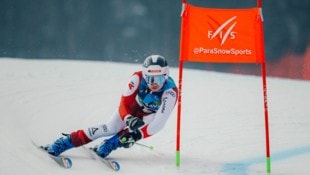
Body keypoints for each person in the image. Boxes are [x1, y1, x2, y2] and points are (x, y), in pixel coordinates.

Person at [43, 55, 178, 158]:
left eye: (159, 79)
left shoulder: (170, 92)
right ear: (144, 75)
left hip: (149, 115)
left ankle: (110, 144)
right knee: (110, 128)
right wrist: (128, 118)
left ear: (166, 76)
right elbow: (124, 103)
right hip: (131, 108)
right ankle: (66, 142)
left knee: (145, 124)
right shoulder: (137, 78)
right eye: (150, 79)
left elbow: (159, 123)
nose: (154, 84)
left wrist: (136, 135)